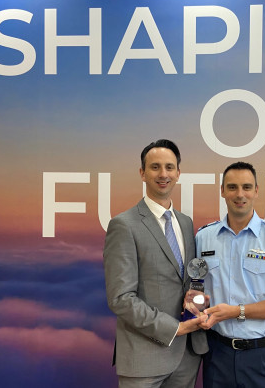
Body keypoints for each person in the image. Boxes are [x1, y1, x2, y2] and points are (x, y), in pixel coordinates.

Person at [103, 139, 208, 388]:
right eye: (155, 167)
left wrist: (197, 298)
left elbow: (187, 280)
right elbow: (120, 299)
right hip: (144, 358)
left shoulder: (185, 222)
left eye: (170, 167)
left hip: (187, 357)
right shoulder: (124, 225)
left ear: (179, 173)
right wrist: (174, 329)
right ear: (142, 173)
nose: (163, 174)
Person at [195, 161, 265, 388]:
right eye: (232, 187)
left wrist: (237, 312)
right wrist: (196, 300)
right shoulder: (203, 237)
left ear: (256, 191)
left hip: (263, 357)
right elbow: (196, 288)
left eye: (246, 187)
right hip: (218, 356)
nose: (240, 194)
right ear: (222, 191)